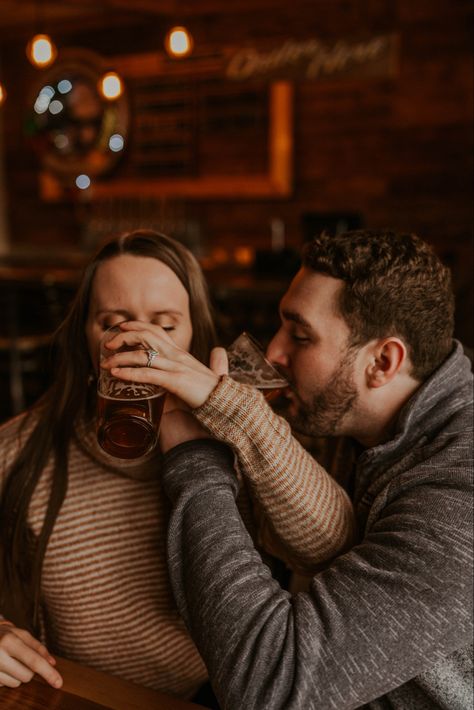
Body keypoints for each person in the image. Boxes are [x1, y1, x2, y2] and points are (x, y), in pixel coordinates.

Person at [104, 229, 473, 708]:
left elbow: (270, 687)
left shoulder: (459, 495)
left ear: (383, 360)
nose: (274, 352)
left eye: (300, 336)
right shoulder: (349, 423)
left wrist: (194, 456)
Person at [0, 229, 354, 699]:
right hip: (82, 696)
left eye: (165, 327)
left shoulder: (240, 436)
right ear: (83, 339)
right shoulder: (21, 446)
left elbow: (331, 544)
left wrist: (224, 409)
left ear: (195, 337)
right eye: (113, 323)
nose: (140, 346)